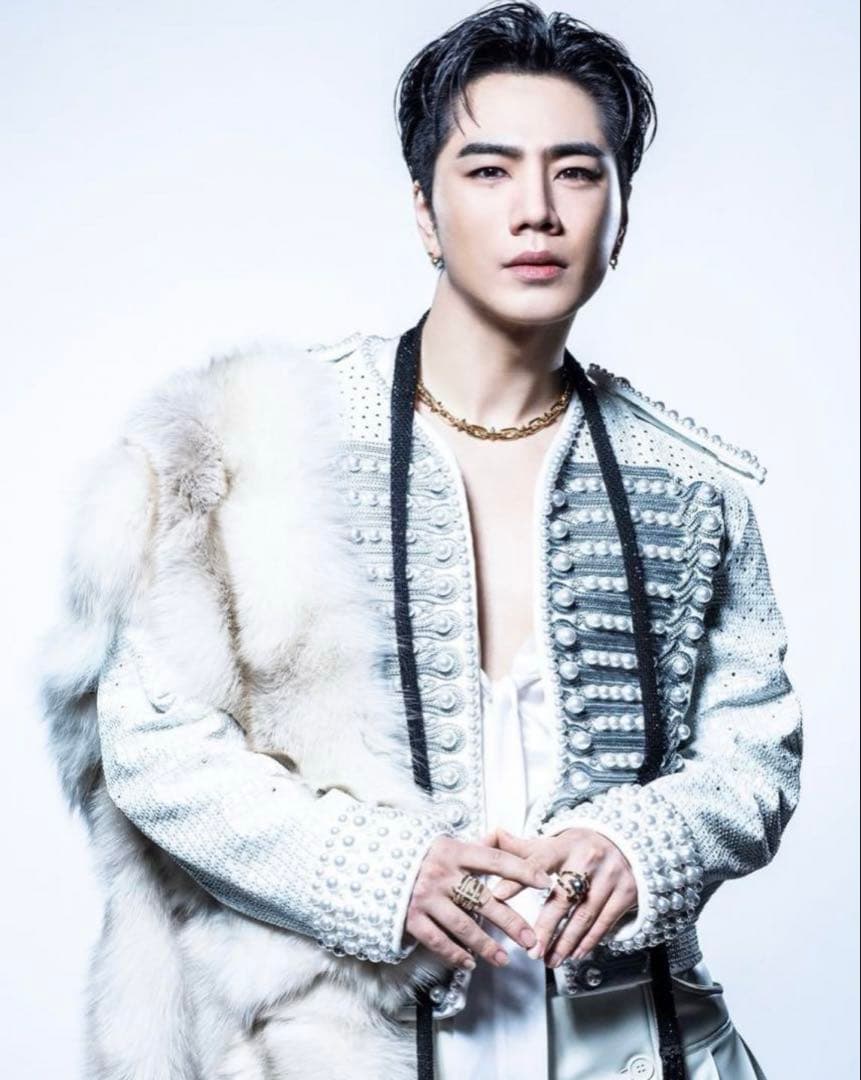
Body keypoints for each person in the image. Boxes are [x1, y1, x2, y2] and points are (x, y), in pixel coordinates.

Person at [37, 3, 803, 1078]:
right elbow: (151, 743)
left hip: (647, 1046)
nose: (536, 210)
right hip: (343, 1049)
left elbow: (754, 747)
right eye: (488, 171)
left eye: (576, 173)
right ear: (425, 212)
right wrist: (376, 870)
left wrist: (645, 845)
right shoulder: (267, 440)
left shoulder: (690, 480)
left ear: (620, 217)